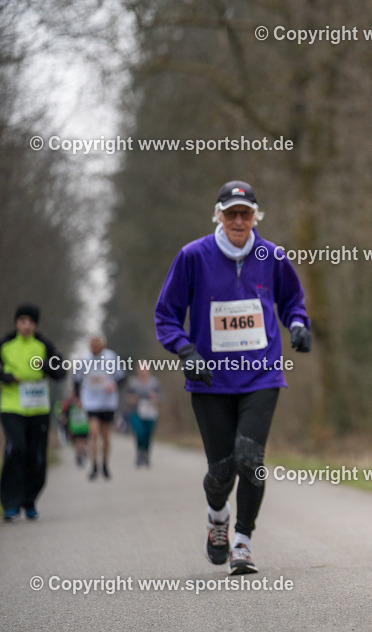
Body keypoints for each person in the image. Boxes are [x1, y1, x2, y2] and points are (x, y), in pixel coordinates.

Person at [155, 180, 312, 575]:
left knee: (250, 459)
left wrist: (297, 324)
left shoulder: (272, 255)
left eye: (246, 213)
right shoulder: (193, 256)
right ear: (219, 216)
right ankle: (217, 516)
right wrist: (186, 351)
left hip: (261, 375)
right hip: (210, 380)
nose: (238, 220)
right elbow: (167, 315)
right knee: (221, 471)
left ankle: (242, 541)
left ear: (256, 216)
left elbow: (293, 300)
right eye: (231, 214)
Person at [0, 304, 67, 520]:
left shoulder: (44, 345)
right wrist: (6, 377)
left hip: (38, 407)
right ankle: (10, 503)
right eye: (22, 321)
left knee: (36, 455)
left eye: (30, 322)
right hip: (12, 406)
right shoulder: (6, 345)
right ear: (16, 323)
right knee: (16, 449)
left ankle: (29, 500)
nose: (26, 326)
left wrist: (47, 366)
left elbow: (61, 371)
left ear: (35, 325)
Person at [73, 335, 125, 480]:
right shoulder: (84, 359)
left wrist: (114, 385)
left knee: (106, 435)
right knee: (94, 433)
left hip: (108, 401)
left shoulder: (111, 357)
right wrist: (77, 397)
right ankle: (94, 465)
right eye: (93, 346)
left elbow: (121, 377)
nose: (95, 349)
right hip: (90, 401)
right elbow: (77, 379)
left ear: (103, 346)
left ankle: (105, 464)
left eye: (98, 346)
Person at [126, 362, 162, 467]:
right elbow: (127, 396)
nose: (143, 371)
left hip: (150, 412)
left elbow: (161, 396)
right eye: (141, 369)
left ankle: (146, 455)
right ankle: (139, 454)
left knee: (148, 434)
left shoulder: (154, 382)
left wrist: (155, 397)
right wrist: (132, 399)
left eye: (145, 368)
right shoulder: (132, 382)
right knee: (139, 433)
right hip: (136, 411)